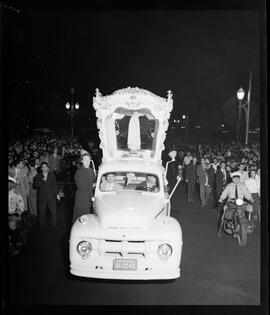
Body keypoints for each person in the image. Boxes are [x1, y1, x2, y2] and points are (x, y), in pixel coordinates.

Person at [33, 162, 60, 230]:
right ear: (41, 168)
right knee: (42, 213)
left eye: (46, 167)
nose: (44, 168)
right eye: (43, 167)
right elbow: (35, 185)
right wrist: (42, 180)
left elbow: (55, 185)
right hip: (42, 197)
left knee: (53, 212)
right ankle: (42, 224)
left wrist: (57, 194)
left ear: (48, 168)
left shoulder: (52, 175)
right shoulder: (38, 176)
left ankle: (53, 224)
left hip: (51, 197)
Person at [73, 153, 95, 222]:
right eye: (85, 160)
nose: (87, 161)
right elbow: (80, 186)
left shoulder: (91, 170)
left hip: (90, 196)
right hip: (82, 197)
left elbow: (94, 181)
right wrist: (92, 185)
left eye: (88, 160)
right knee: (82, 215)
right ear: (81, 161)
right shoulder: (79, 171)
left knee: (89, 214)